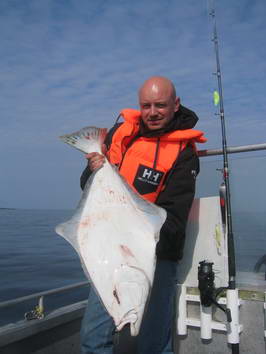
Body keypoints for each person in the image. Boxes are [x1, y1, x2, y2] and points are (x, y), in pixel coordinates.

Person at [79, 76, 206, 354]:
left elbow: (173, 218)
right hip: (111, 252)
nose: (152, 112)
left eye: (160, 105)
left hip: (156, 255)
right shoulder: (119, 134)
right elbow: (86, 187)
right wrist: (93, 169)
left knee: (153, 342)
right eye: (145, 105)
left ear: (176, 105)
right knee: (93, 337)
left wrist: (138, 239)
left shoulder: (184, 154)